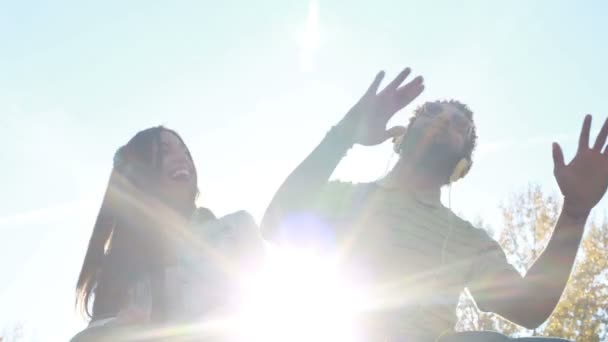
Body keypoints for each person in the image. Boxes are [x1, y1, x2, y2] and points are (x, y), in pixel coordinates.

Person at [261, 66, 608, 341]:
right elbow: (276, 223)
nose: (443, 119)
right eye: (430, 112)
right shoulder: (344, 198)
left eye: (459, 125)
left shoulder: (468, 240)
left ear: (462, 166)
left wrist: (575, 214)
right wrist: (345, 132)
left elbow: (530, 308)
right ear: (398, 138)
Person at [70, 126, 265, 341]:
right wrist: (119, 329)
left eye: (184, 151)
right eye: (165, 151)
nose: (181, 158)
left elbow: (258, 309)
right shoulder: (120, 270)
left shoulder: (235, 229)